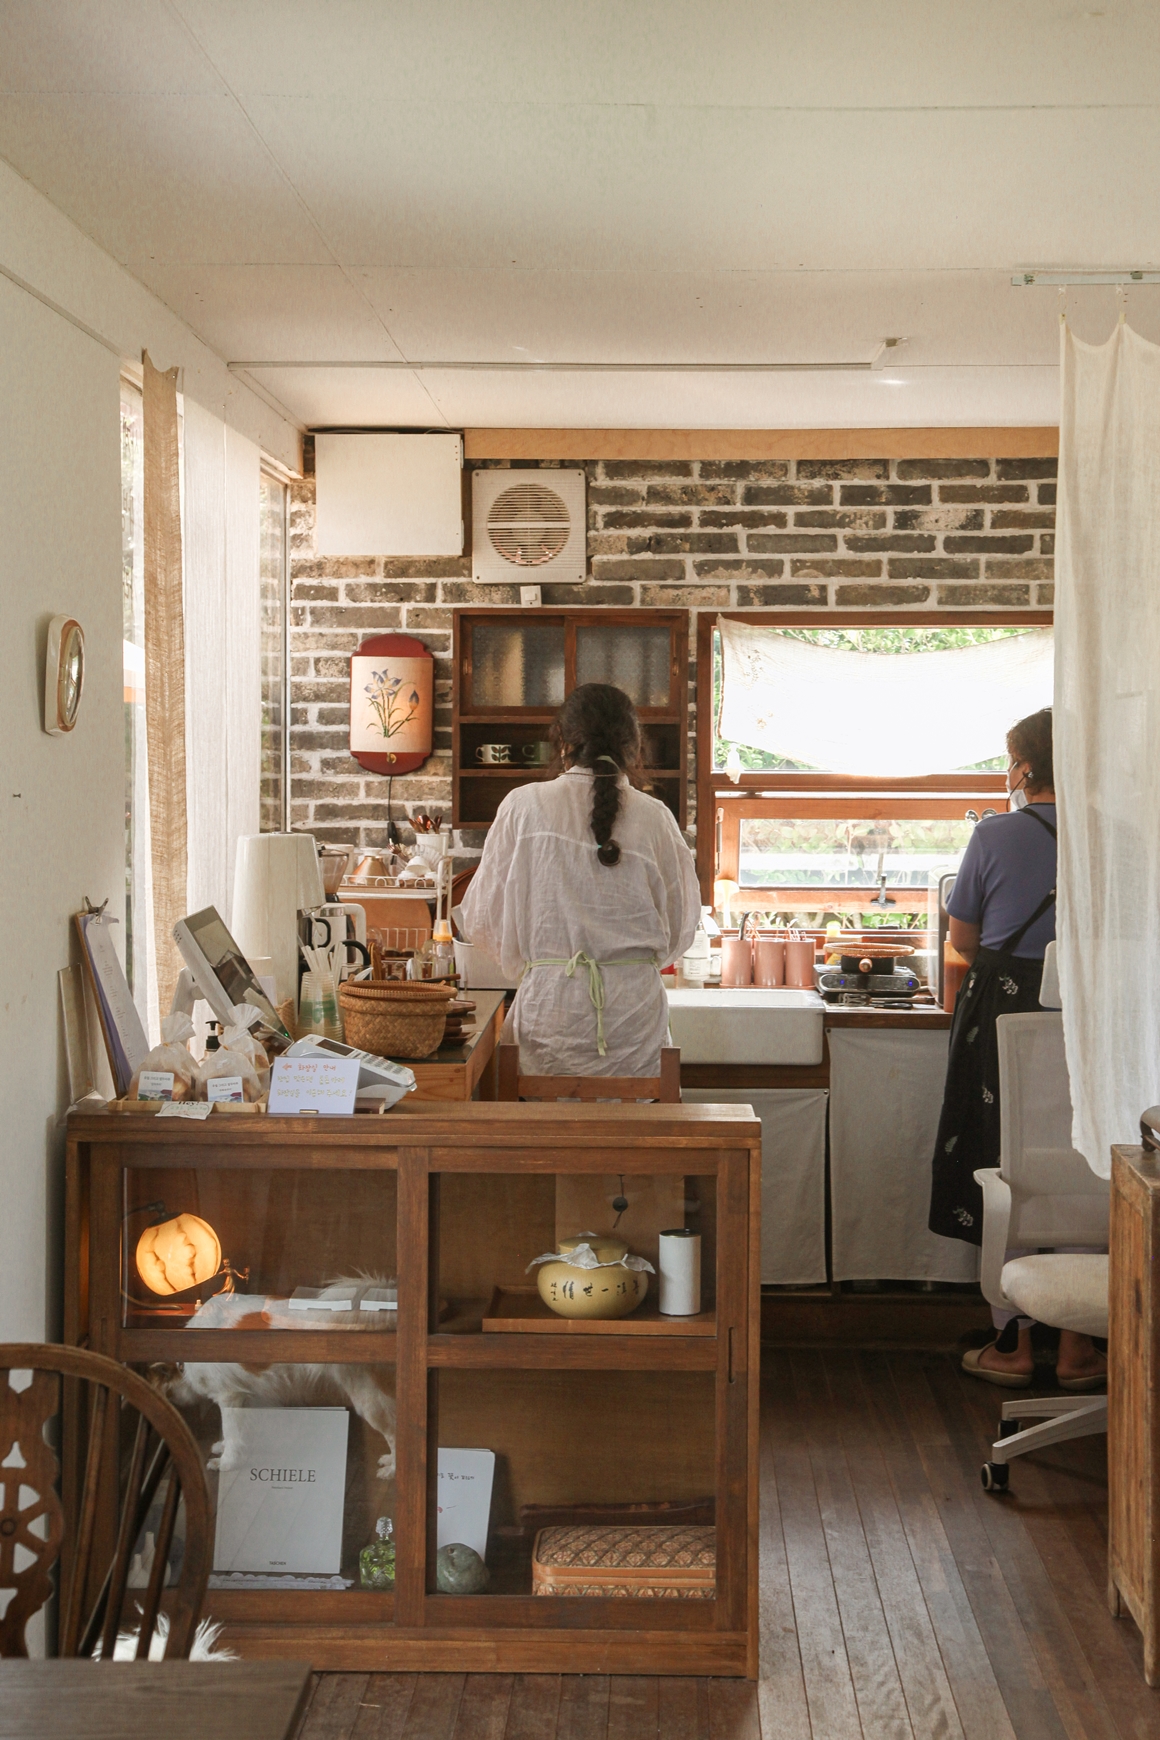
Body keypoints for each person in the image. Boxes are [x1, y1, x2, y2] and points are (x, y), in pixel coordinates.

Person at [928, 706, 1105, 1390]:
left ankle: (1013, 1343)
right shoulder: (1115, 836)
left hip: (1003, 1008)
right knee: (1081, 1165)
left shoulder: (995, 834)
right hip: (1090, 1016)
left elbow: (963, 941)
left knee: (1002, 1164)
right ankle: (1080, 1347)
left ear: (1024, 767)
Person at [460, 683, 700, 1078]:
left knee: (549, 1138)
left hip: (550, 1018)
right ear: (635, 747)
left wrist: (536, 965)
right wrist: (628, 963)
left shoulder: (523, 807)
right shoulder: (656, 818)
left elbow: (482, 918)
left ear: (563, 742)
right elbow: (681, 925)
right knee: (636, 1138)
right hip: (634, 1026)